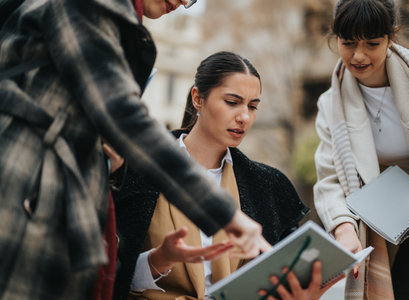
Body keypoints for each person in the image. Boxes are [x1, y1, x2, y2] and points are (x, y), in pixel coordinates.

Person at [0, 1, 270, 300]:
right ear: (198, 98)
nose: (184, 2)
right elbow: (124, 115)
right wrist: (225, 215)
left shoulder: (120, 25)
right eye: (232, 102)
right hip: (28, 194)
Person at [106, 51, 344, 300]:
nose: (244, 117)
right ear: (198, 98)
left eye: (253, 107)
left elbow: (287, 277)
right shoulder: (135, 167)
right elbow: (106, 274)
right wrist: (159, 260)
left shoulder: (269, 185)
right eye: (232, 102)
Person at [313, 0, 409, 299]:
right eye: (348, 43)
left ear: (392, 36)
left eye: (372, 43)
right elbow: (329, 179)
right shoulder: (330, 106)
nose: (358, 55)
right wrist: (344, 228)